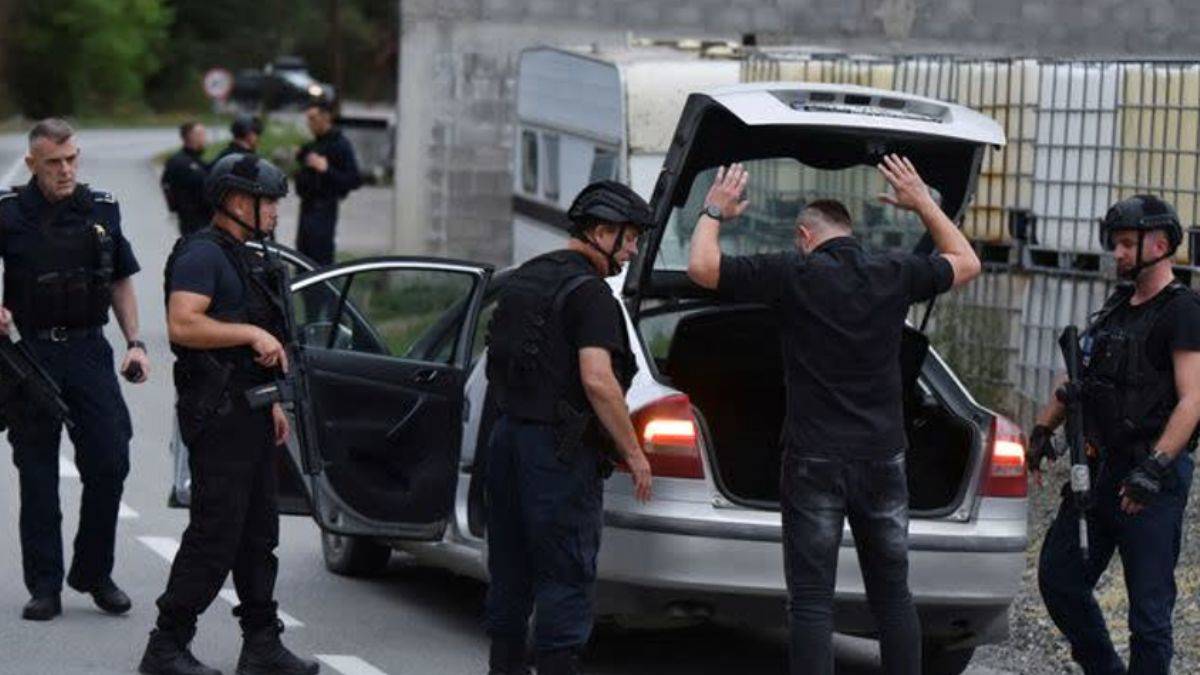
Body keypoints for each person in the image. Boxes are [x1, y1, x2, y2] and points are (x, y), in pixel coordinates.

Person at [686, 157, 981, 675]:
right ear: (849, 233)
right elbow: (967, 261)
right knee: (892, 593)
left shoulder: (793, 272)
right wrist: (922, 203)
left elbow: (702, 269)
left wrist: (714, 211)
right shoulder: (892, 272)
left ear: (805, 236)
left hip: (814, 458)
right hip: (882, 456)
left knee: (811, 599)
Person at [139, 154, 317, 675]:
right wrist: (251, 333)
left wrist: (273, 401)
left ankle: (261, 644)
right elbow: (183, 324)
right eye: (269, 202)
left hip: (251, 411)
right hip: (217, 415)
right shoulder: (202, 254)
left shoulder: (245, 256)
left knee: (259, 534)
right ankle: (166, 646)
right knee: (215, 534)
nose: (276, 212)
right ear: (238, 201)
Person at [483, 180, 655, 675]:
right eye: (628, 238)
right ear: (601, 232)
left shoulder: (525, 277)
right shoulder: (592, 295)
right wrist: (634, 452)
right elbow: (598, 380)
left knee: (509, 567)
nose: (632, 249)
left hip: (506, 440)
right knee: (565, 570)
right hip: (556, 452)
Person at [1030, 194, 1200, 675]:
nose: (1117, 253)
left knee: (1149, 615)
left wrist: (1154, 468)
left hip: (1149, 483)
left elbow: (1193, 399)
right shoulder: (1115, 309)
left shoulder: (1183, 311)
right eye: (1116, 243)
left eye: (1127, 243)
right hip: (1098, 472)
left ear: (1160, 244)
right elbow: (1076, 378)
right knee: (1060, 578)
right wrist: (1042, 430)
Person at [0, 118, 150, 621]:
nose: (65, 170)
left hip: (89, 350)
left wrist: (136, 342)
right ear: (32, 164)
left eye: (71, 160)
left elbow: (121, 279)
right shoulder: (8, 214)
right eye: (53, 163)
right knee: (38, 473)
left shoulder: (101, 209)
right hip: (30, 354)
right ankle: (45, 586)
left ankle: (94, 572)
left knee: (110, 461)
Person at [293, 99, 360, 266]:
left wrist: (326, 169)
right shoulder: (314, 144)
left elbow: (354, 179)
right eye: (308, 119)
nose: (310, 124)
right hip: (306, 207)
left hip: (324, 209)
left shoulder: (340, 144)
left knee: (319, 258)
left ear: (326, 117)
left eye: (313, 118)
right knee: (302, 257)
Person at [161, 121, 212, 236]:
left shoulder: (199, 162)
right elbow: (167, 186)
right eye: (202, 135)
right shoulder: (182, 163)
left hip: (199, 220)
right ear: (191, 137)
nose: (205, 139)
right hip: (195, 221)